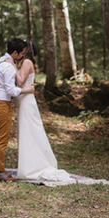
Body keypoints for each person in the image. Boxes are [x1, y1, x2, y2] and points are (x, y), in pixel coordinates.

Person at [14, 40, 72, 182]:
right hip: (24, 99)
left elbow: (20, 81)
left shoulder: (27, 62)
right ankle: (30, 163)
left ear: (27, 50)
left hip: (26, 100)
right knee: (28, 131)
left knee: (29, 131)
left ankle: (33, 166)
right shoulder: (27, 62)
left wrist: (12, 66)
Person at [0, 38, 34, 182]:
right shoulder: (8, 67)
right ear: (15, 53)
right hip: (1, 105)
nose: (23, 56)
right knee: (1, 140)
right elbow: (11, 90)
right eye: (22, 53)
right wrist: (27, 89)